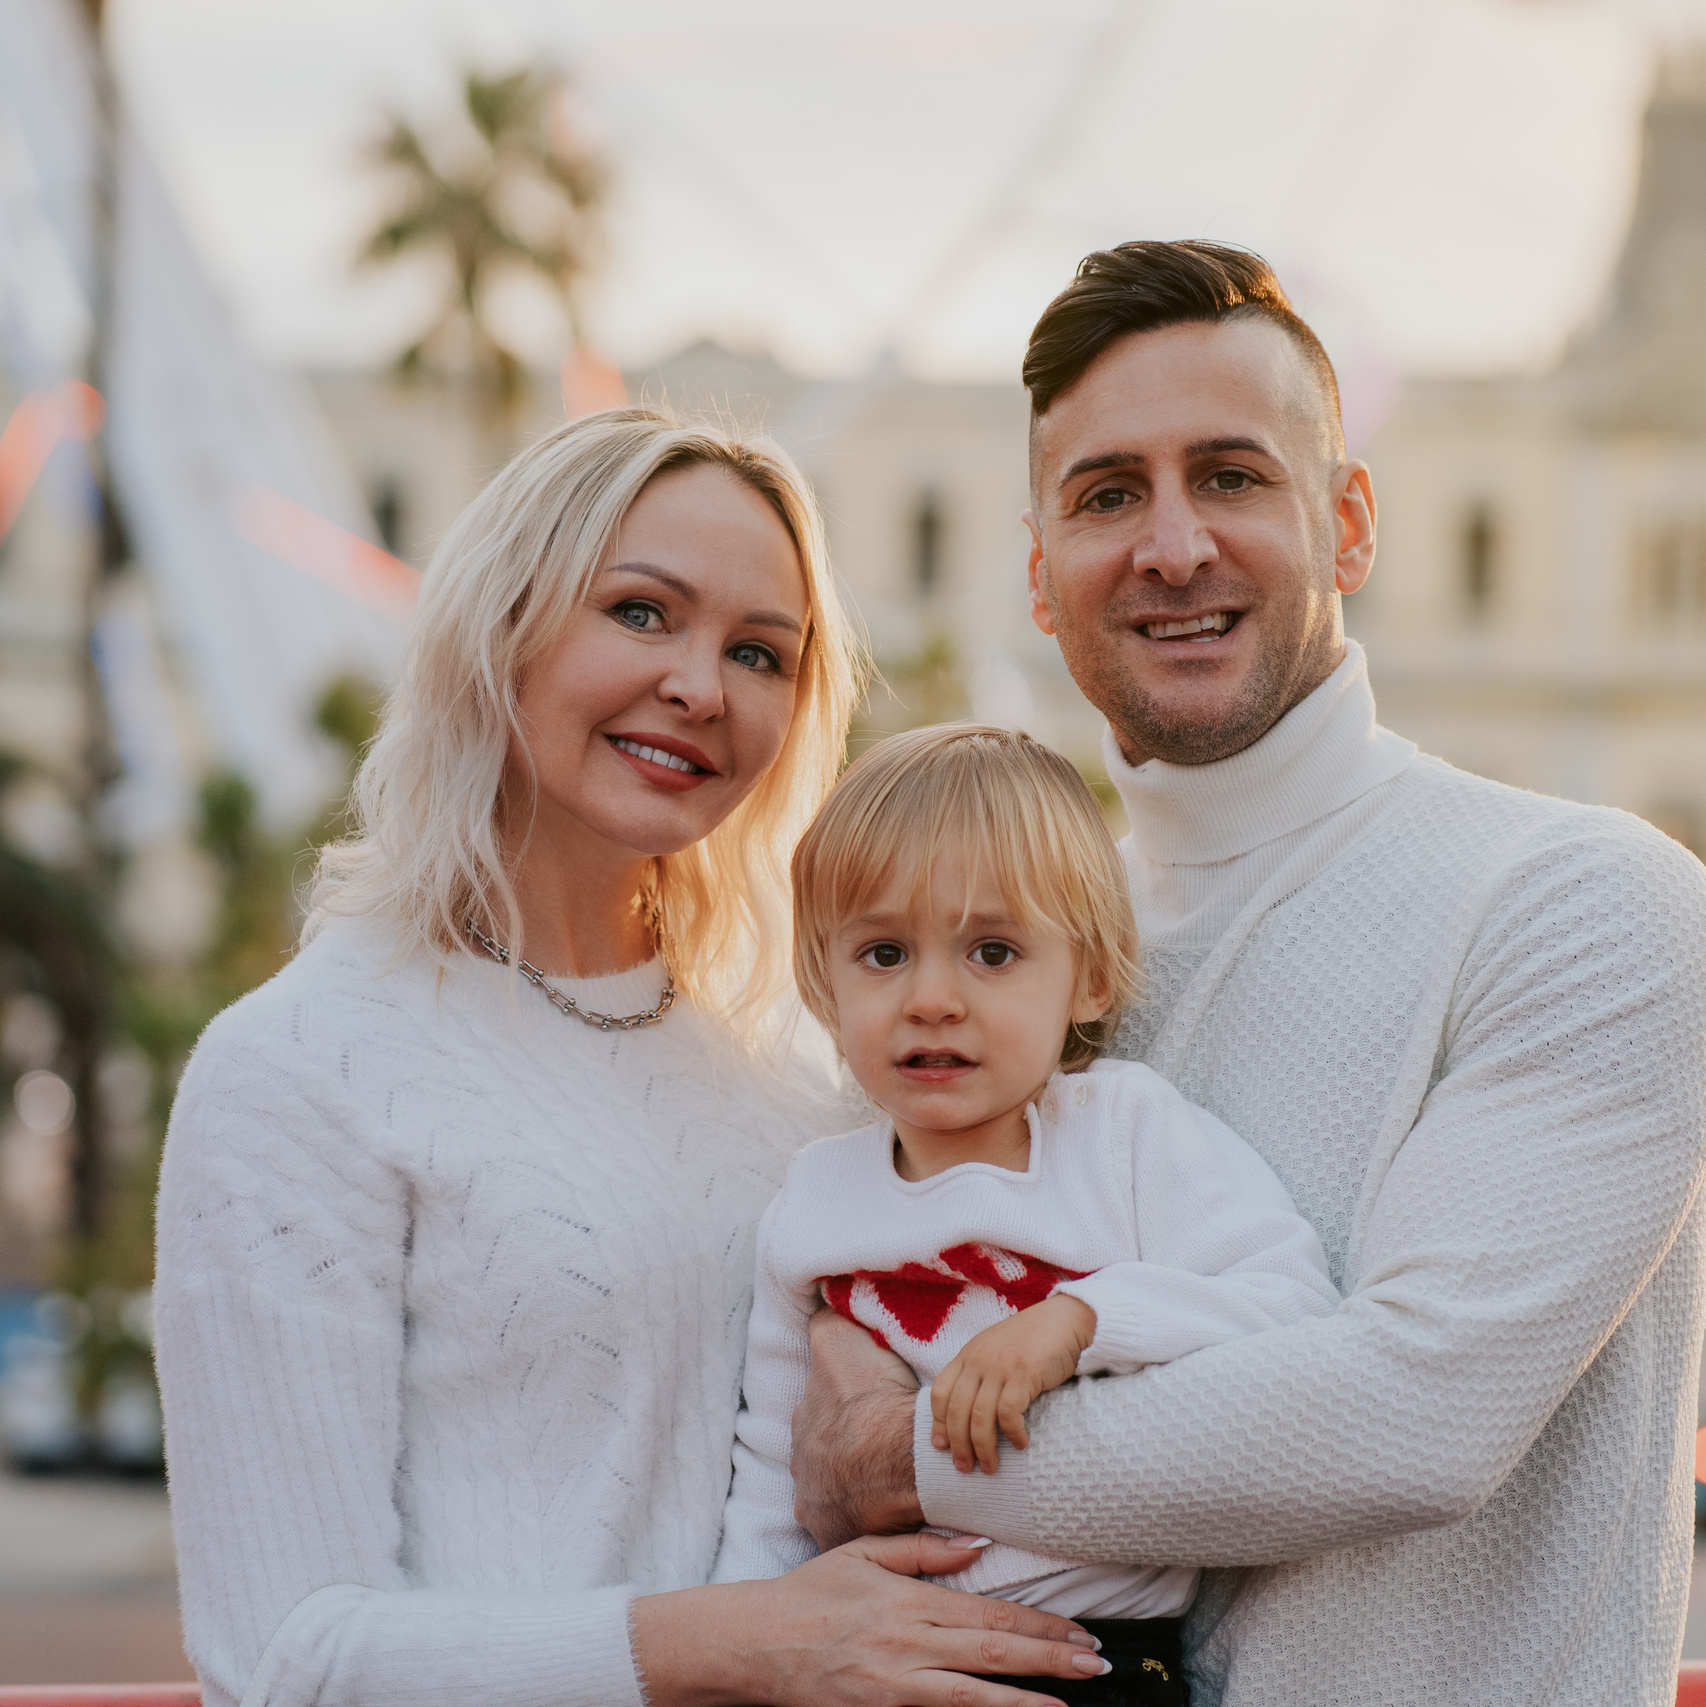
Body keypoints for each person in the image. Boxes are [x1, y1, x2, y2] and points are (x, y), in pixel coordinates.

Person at [786, 243, 1706, 1704]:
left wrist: (883, 1454)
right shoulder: (1014, 968)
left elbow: (1411, 1414)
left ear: (1346, 520)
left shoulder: (1583, 902)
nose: (1169, 546)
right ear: (1038, 573)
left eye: (1229, 476)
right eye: (1105, 495)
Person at [152, 409, 1108, 1707]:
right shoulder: (298, 1070)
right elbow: (280, 1658)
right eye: (642, 612)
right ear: (505, 620)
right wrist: (737, 1640)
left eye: (760, 651)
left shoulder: (809, 1083)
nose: (703, 686)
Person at [712, 723, 1339, 1707]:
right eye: (882, 952)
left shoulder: (1122, 1134)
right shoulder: (815, 1199)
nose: (930, 999)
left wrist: (1079, 1321)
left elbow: (1290, 1304)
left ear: (1087, 975)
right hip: (872, 1657)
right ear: (821, 988)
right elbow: (772, 1463)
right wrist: (750, 1646)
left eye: (991, 952)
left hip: (1090, 1659)